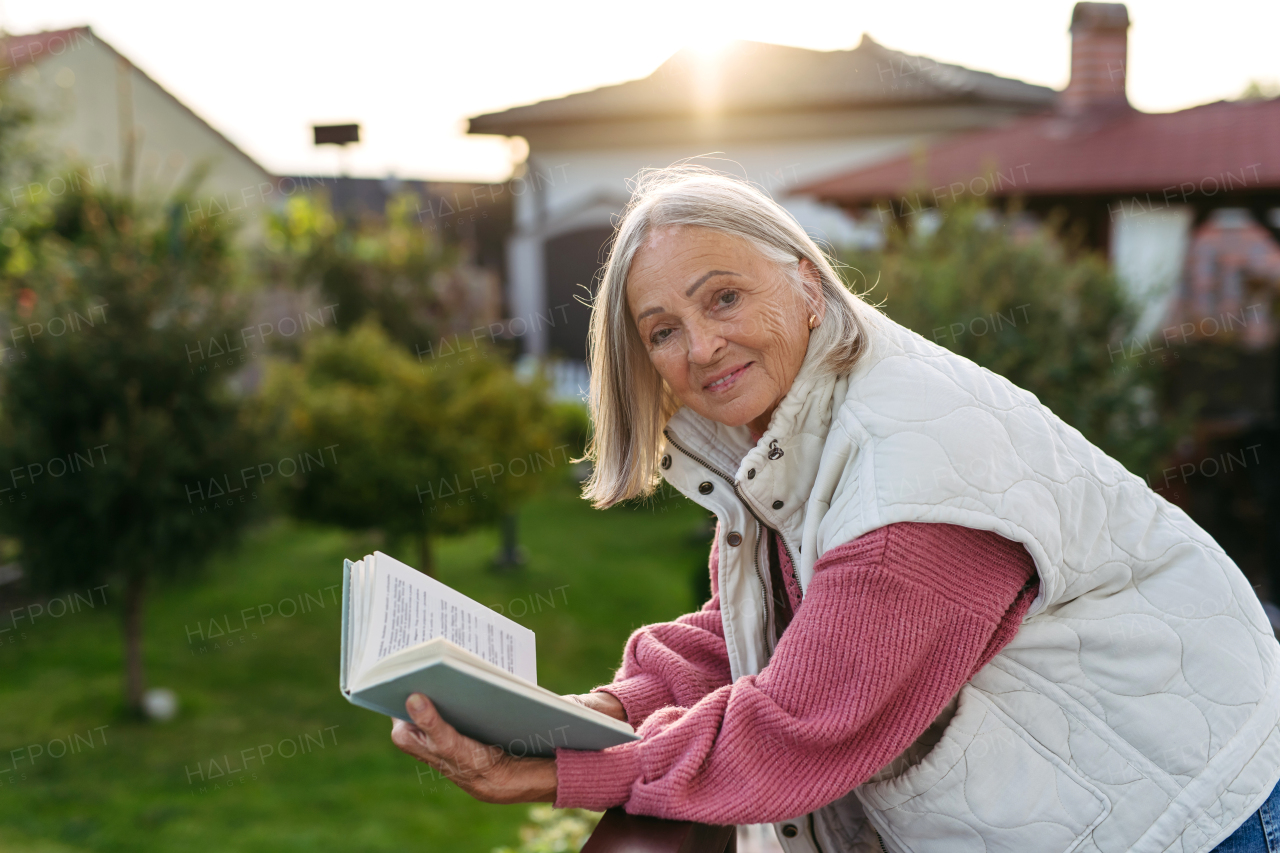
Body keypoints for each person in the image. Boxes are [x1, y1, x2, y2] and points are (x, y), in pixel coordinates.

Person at [391, 167, 1280, 853]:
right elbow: (783, 616)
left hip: (1188, 806)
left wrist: (570, 767)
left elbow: (800, 724)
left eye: (724, 297)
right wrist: (605, 712)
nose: (699, 346)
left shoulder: (910, 473)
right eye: (662, 328)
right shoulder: (799, 423)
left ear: (808, 285)